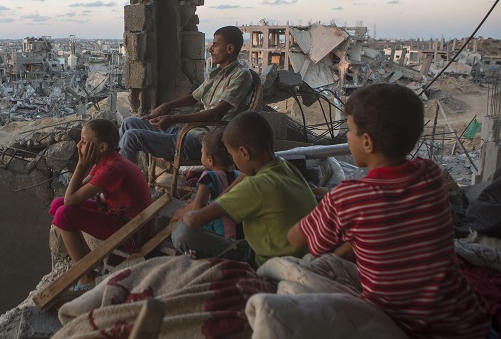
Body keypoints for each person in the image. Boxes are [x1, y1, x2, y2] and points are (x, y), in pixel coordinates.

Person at [287, 83, 492, 338]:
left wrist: (321, 208)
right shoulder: (430, 174)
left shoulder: (347, 198)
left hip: (405, 327)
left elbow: (296, 239)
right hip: (467, 319)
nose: (346, 137)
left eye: (348, 130)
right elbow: (391, 225)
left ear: (367, 142)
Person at [172, 111, 317, 268]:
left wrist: (185, 214)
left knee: (182, 233)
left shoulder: (256, 186)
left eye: (231, 154)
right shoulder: (284, 167)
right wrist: (223, 196)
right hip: (303, 253)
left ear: (244, 153)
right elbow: (246, 175)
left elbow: (194, 220)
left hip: (270, 261)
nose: (233, 161)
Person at [118, 25, 253, 164]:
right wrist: (164, 107)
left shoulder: (241, 76)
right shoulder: (217, 74)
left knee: (132, 137)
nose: (210, 49)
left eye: (215, 45)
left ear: (230, 49)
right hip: (189, 131)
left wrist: (172, 119)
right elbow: (193, 97)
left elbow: (216, 114)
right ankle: (115, 173)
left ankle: (119, 180)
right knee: (128, 123)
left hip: (204, 141)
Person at [48, 118, 152, 290]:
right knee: (57, 204)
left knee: (63, 213)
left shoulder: (111, 168)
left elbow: (70, 199)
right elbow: (75, 192)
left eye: (84, 142)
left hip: (132, 230)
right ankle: (85, 260)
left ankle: (87, 275)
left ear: (102, 147)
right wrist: (84, 166)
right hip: (121, 216)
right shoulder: (107, 160)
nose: (78, 145)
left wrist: (81, 166)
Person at [171, 128, 241, 239]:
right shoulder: (238, 175)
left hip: (221, 236)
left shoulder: (209, 176)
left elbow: (199, 206)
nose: (201, 156)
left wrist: (181, 213)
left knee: (181, 229)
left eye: (202, 153)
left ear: (210, 160)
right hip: (239, 236)